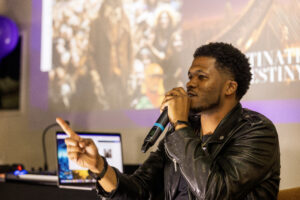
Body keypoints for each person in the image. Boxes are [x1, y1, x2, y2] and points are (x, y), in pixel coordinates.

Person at [56, 42, 280, 199]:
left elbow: (215, 193)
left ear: (230, 87)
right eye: (190, 76)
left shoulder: (257, 132)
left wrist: (181, 125)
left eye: (202, 77)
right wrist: (99, 167)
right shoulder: (182, 131)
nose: (190, 84)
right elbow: (139, 191)